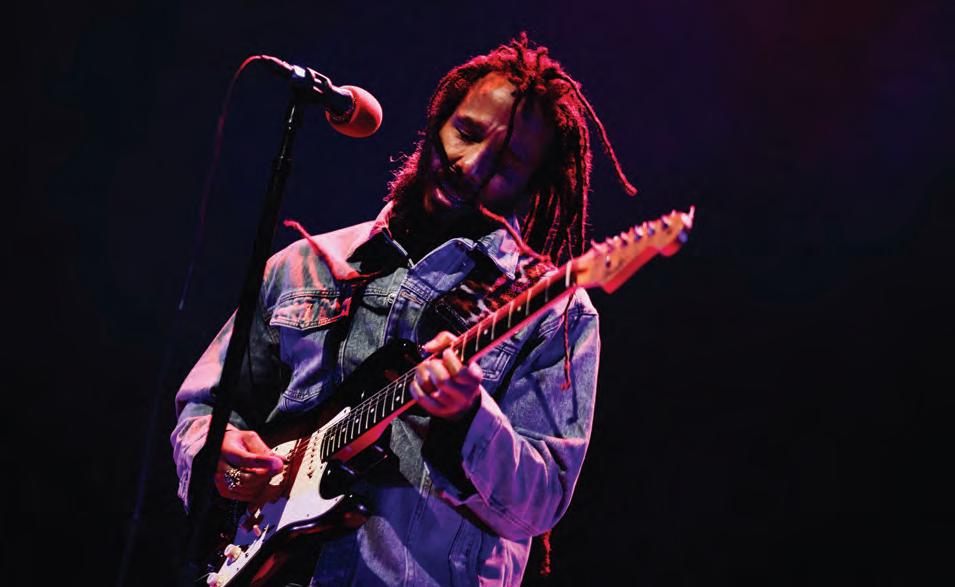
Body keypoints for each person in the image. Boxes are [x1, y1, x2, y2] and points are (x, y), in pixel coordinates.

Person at [171, 34, 636, 586]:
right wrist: (215, 453)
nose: (471, 165)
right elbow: (206, 405)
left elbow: (541, 501)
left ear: (533, 187)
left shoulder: (554, 313)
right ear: (437, 122)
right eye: (466, 133)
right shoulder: (305, 265)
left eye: (507, 163)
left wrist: (469, 416)